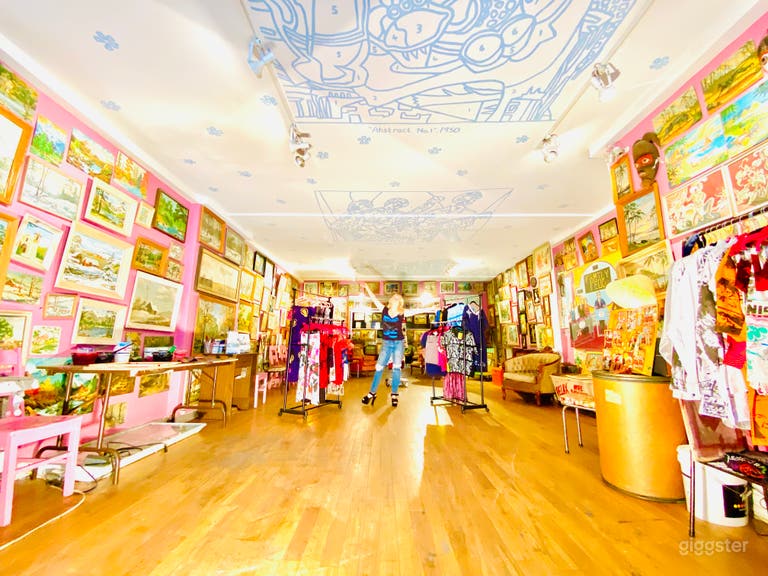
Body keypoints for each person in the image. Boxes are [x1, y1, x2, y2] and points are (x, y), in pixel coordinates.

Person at [360, 283, 433, 407]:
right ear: (391, 300)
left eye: (398, 297)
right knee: (379, 367)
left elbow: (417, 310)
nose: (396, 297)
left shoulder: (402, 312)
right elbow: (374, 298)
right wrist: (367, 288)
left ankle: (394, 394)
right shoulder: (383, 310)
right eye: (394, 296)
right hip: (386, 343)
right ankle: (372, 392)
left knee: (396, 368)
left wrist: (431, 307)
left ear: (400, 302)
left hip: (399, 343)